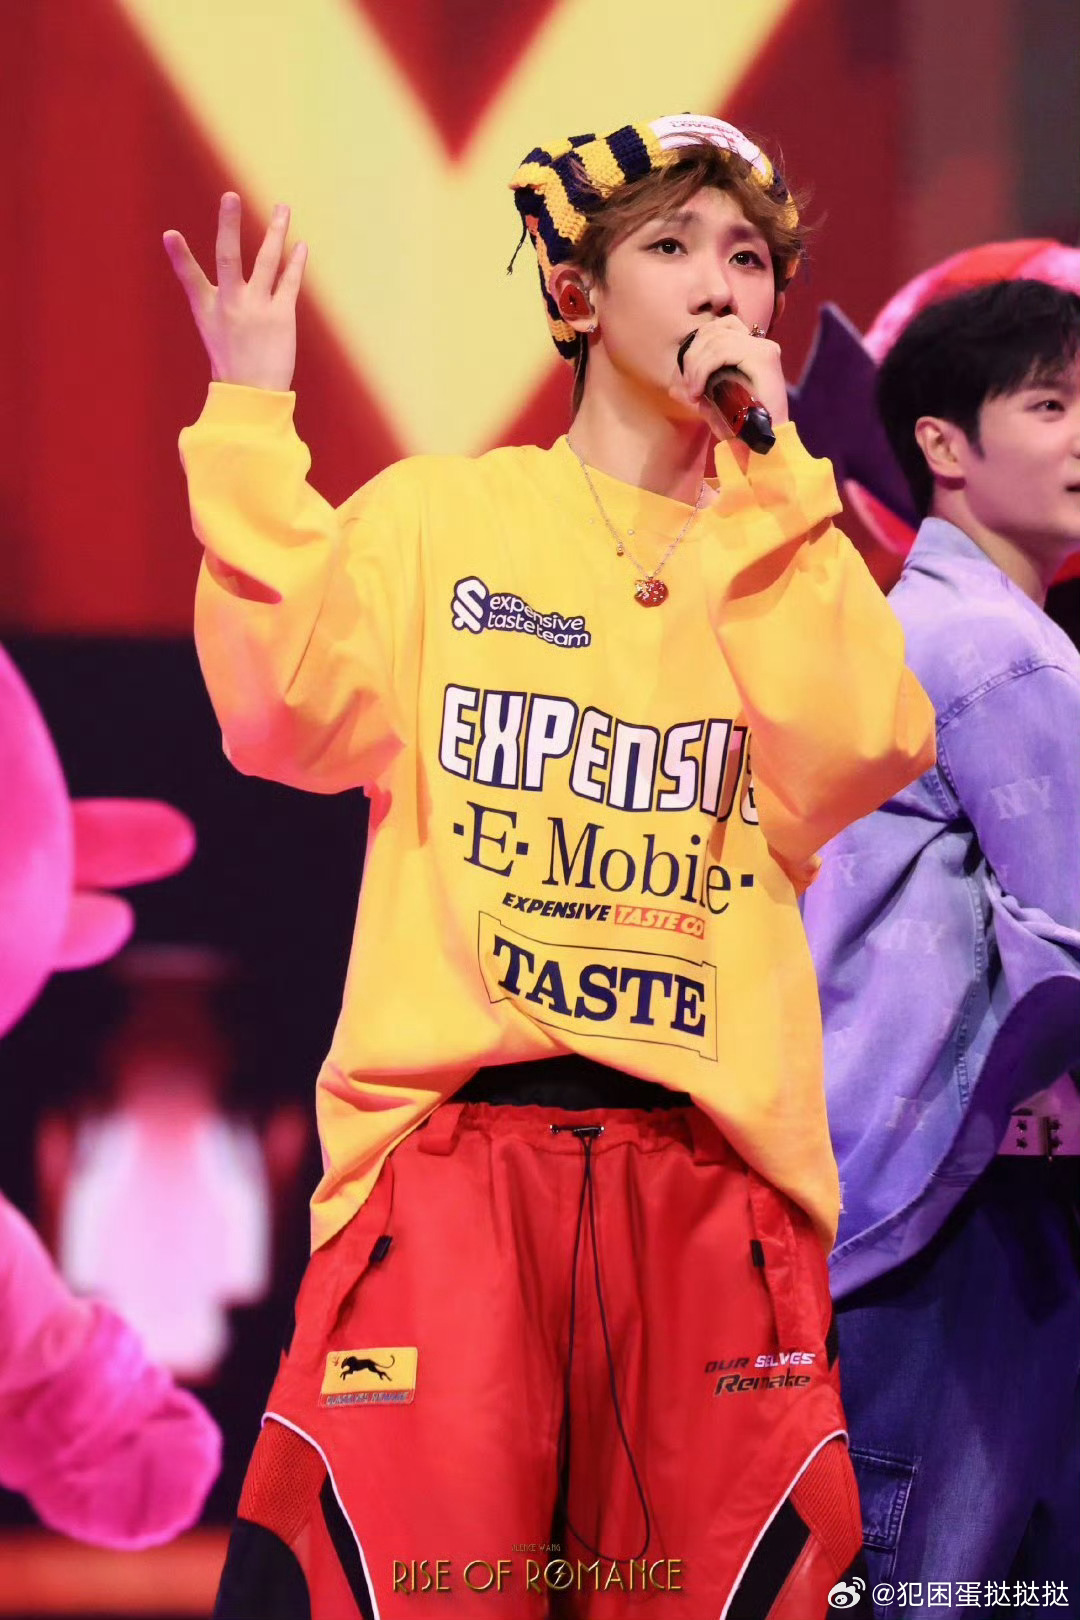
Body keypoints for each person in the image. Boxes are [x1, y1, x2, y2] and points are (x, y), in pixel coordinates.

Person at [165, 113, 934, 1619]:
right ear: (576, 295)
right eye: (672, 246)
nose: (721, 285)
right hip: (455, 1170)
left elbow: (858, 749)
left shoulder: (785, 550)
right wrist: (250, 416)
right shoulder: (444, 519)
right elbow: (282, 716)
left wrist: (777, 475)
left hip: (713, 1191)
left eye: (750, 259)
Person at [801, 279, 1080, 1615]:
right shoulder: (997, 651)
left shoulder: (905, 628)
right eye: (1051, 405)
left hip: (899, 1207)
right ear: (943, 445)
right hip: (958, 1217)